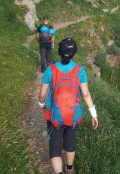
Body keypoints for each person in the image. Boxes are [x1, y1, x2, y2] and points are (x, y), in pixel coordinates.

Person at [38, 38, 98, 174]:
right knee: (70, 143)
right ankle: (70, 168)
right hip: (73, 115)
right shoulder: (80, 70)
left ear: (59, 52)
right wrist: (93, 114)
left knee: (55, 149)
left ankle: (59, 172)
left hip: (55, 115)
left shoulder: (50, 70)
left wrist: (42, 104)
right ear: (74, 53)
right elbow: (86, 94)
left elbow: (42, 94)